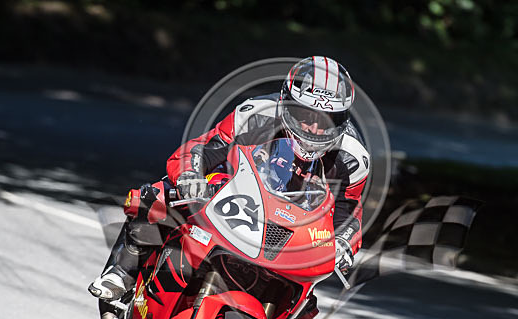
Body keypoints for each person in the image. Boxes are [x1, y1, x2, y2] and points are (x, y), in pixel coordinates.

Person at [89, 56, 370, 300]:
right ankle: (123, 269)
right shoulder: (255, 116)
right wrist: (189, 176)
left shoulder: (353, 158)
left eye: (327, 120)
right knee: (161, 193)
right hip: (235, 194)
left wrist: (344, 243)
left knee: (310, 290)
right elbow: (201, 149)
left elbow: (349, 215)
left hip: (293, 227)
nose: (314, 128)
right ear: (287, 103)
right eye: (305, 115)